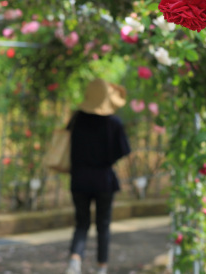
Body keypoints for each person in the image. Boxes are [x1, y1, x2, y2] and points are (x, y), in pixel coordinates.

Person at [65, 78, 131, 274]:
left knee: (81, 223)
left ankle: (75, 260)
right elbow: (123, 150)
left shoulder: (76, 119)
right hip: (103, 179)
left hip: (79, 178)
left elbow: (66, 143)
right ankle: (102, 267)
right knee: (103, 225)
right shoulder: (113, 123)